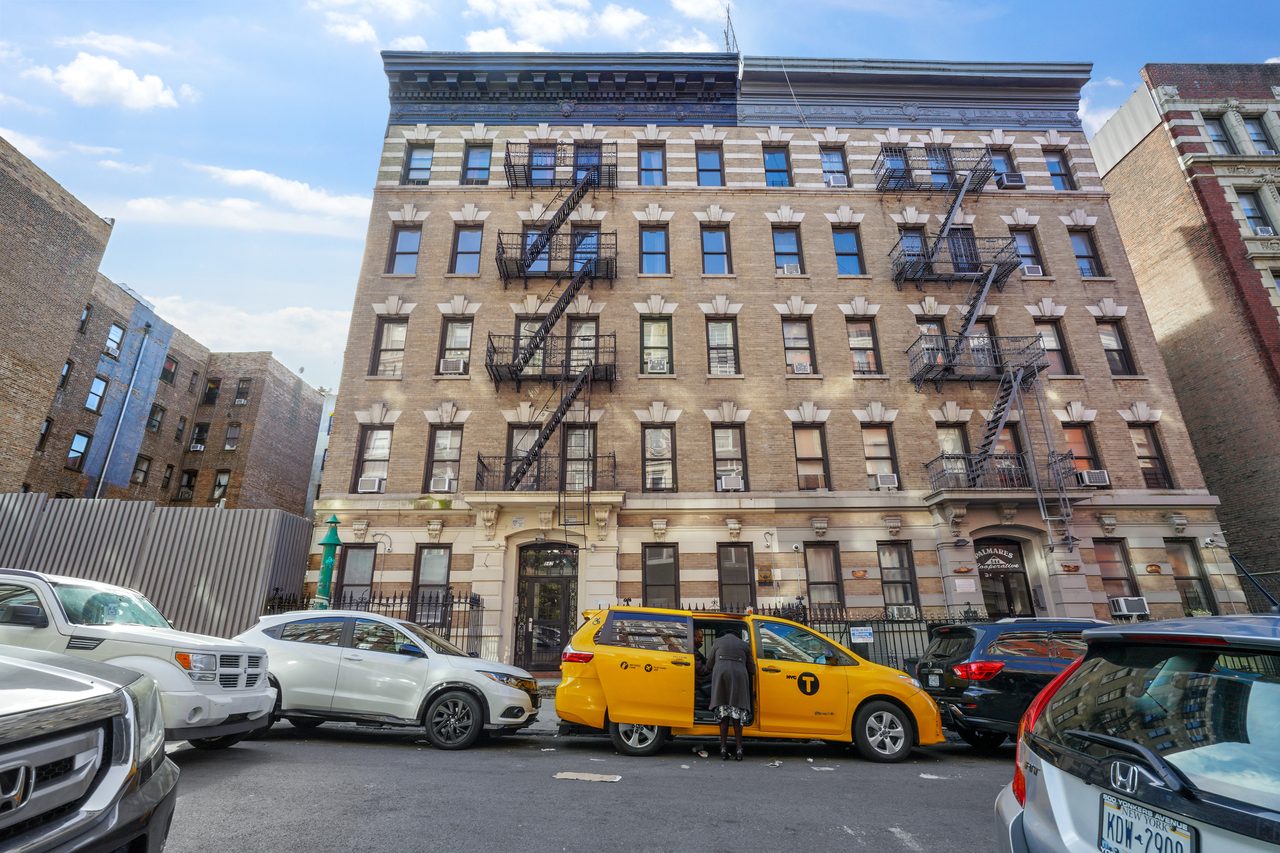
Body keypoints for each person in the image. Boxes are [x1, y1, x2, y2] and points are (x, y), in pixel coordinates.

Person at [708, 626, 753, 761]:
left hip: (722, 680)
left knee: (724, 716)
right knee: (736, 716)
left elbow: (709, 664)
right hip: (739, 680)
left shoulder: (717, 642)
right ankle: (739, 749)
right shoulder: (744, 645)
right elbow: (752, 669)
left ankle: (723, 749)